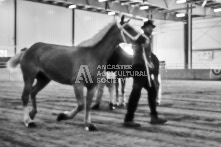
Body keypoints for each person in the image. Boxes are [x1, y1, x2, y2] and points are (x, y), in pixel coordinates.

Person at [123, 20, 167, 127]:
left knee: (152, 91)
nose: (151, 29)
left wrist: (150, 63)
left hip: (145, 68)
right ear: (143, 28)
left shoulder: (147, 39)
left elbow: (147, 55)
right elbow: (135, 45)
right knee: (136, 92)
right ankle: (128, 119)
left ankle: (154, 117)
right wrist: (140, 44)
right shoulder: (140, 38)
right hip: (139, 67)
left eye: (151, 27)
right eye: (148, 27)